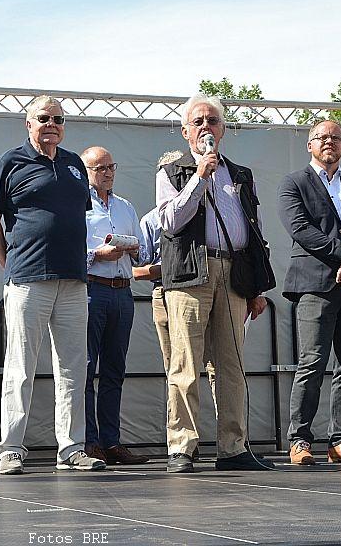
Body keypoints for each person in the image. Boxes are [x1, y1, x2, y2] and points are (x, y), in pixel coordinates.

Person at [0, 95, 105, 474]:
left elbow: (74, 218)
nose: (52, 124)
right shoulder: (10, 162)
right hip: (27, 281)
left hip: (74, 281)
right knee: (21, 367)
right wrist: (11, 267)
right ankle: (10, 449)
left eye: (58, 119)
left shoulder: (74, 165)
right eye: (44, 118)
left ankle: (71, 448)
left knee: (74, 369)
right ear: (28, 123)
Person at [156, 93, 275, 472]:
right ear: (185, 132)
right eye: (198, 122)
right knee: (186, 364)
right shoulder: (172, 172)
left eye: (212, 121)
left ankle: (233, 447)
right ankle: (182, 447)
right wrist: (199, 176)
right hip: (191, 274)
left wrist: (256, 287)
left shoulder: (240, 174)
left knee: (231, 365)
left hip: (234, 273)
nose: (206, 127)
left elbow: (254, 231)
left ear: (222, 129)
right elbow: (170, 222)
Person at [278, 120, 341, 465]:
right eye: (321, 137)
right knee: (312, 362)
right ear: (309, 145)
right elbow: (300, 228)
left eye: (336, 138)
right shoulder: (294, 183)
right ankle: (299, 439)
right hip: (316, 285)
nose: (329, 142)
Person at [80, 146, 149, 465]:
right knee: (86, 368)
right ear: (85, 171)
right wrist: (97, 254)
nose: (107, 173)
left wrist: (134, 250)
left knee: (114, 370)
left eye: (111, 167)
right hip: (92, 289)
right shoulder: (78, 207)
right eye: (100, 168)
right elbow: (69, 253)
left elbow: (143, 253)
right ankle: (89, 441)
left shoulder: (125, 207)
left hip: (122, 292)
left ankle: (111, 441)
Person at [136, 151, 217, 412]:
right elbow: (136, 269)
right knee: (178, 366)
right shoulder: (151, 220)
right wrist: (170, 267)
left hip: (210, 285)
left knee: (218, 365)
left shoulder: (213, 210)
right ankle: (181, 433)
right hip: (166, 292)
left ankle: (229, 431)